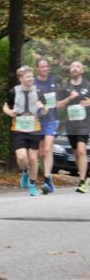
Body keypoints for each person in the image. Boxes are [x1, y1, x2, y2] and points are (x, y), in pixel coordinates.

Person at [2, 66, 48, 197]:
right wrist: (9, 112)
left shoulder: (39, 91)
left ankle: (32, 185)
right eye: (28, 76)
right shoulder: (13, 92)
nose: (31, 79)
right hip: (19, 128)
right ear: (20, 78)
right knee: (22, 157)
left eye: (32, 76)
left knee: (33, 159)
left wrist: (43, 107)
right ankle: (24, 172)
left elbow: (45, 111)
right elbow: (5, 106)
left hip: (34, 128)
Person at [56, 60, 90, 194]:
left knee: (81, 151)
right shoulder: (65, 87)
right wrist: (70, 98)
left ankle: (81, 182)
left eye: (78, 67)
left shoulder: (88, 85)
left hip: (84, 123)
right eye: (72, 67)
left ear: (82, 70)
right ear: (70, 70)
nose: (75, 69)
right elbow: (58, 105)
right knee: (76, 153)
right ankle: (84, 176)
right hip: (71, 125)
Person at [34, 58, 61, 194]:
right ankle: (47, 175)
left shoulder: (54, 80)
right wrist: (38, 104)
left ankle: (46, 179)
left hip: (52, 119)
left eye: (46, 66)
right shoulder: (33, 82)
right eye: (42, 66)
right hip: (38, 121)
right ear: (37, 68)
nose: (44, 69)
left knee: (48, 148)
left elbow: (59, 97)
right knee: (40, 152)